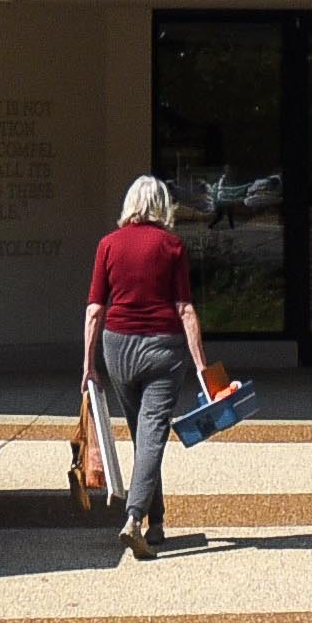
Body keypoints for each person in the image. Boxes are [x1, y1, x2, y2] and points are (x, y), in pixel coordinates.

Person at [77, 176, 219, 562]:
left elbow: (94, 311)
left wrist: (89, 366)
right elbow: (185, 309)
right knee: (152, 434)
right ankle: (135, 518)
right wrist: (203, 367)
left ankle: (156, 524)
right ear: (162, 206)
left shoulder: (108, 244)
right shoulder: (172, 245)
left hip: (117, 347)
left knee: (145, 436)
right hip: (163, 350)